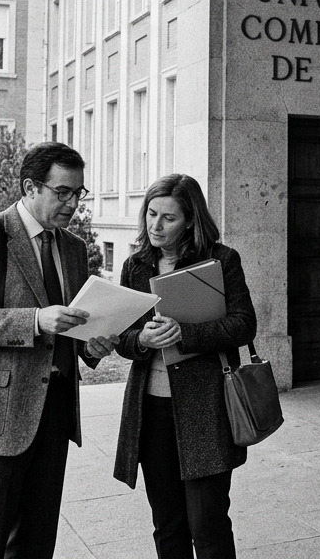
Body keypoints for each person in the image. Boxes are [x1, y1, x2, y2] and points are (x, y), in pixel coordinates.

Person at [0, 141, 118, 558]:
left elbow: (69, 325)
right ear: (30, 187)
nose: (73, 203)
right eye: (63, 192)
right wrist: (34, 321)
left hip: (54, 413)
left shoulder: (71, 247)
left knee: (37, 542)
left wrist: (92, 345)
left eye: (79, 193)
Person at [114, 173, 258, 559]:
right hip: (151, 408)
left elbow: (244, 324)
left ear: (191, 219)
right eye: (151, 214)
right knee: (168, 524)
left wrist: (185, 334)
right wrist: (140, 340)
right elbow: (121, 336)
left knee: (207, 523)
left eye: (169, 218)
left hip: (205, 406)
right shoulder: (135, 265)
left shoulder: (221, 260)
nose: (155, 226)